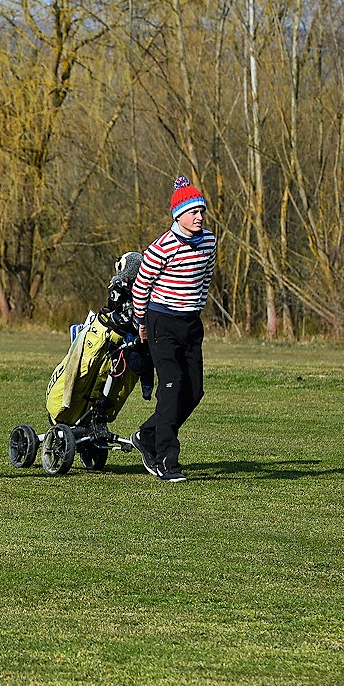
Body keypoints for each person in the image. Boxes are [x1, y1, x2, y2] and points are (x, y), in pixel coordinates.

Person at [129, 176, 217, 483]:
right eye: (193, 212)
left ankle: (147, 434)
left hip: (190, 323)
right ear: (179, 216)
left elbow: (205, 278)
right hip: (161, 321)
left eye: (202, 211)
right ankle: (166, 460)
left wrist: (196, 309)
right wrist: (141, 323)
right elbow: (141, 287)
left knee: (194, 390)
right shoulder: (161, 247)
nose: (199, 217)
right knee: (171, 387)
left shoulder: (209, 242)